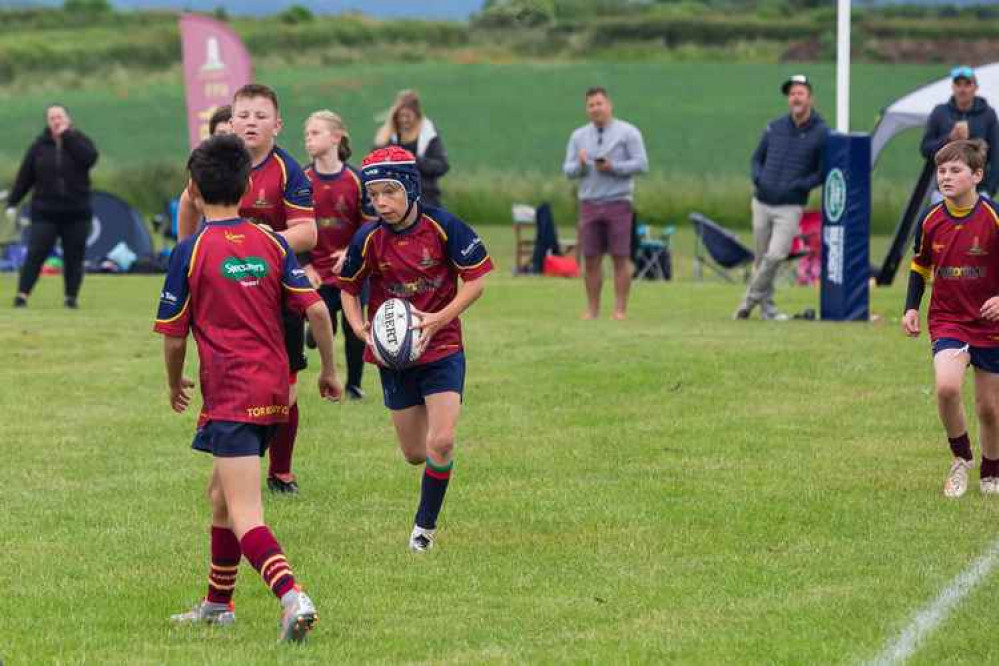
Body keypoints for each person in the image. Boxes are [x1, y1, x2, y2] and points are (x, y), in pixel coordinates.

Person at [154, 134, 342, 641]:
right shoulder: (271, 242)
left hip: (232, 397)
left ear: (192, 189)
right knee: (220, 495)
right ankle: (218, 604)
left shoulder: (190, 252)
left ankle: (292, 597)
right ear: (244, 188)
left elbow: (173, 340)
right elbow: (319, 310)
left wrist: (174, 384)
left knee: (244, 511)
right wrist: (328, 370)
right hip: (275, 392)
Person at [335, 146, 493, 552]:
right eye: (374, 195)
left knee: (441, 441)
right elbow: (349, 288)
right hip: (395, 353)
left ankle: (423, 530)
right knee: (414, 454)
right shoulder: (368, 237)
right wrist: (357, 327)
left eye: (389, 192)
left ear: (410, 188)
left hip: (441, 345)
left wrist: (439, 318)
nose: (381, 202)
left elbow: (475, 281)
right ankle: (429, 483)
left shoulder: (444, 226)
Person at [177, 84, 317, 495]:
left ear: (277, 124)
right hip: (221, 291)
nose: (251, 122)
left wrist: (266, 242)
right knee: (222, 375)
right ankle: (231, 464)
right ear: (230, 121)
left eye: (260, 116)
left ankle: (281, 470)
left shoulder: (289, 171)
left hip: (273, 292)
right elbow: (188, 202)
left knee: (284, 386)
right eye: (244, 115)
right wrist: (188, 254)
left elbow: (308, 232)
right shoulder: (214, 162)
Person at [902, 139, 999, 498]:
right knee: (946, 387)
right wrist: (912, 307)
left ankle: (992, 469)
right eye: (941, 170)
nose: (945, 176)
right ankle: (961, 459)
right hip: (948, 319)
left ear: (976, 175)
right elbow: (920, 264)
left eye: (955, 170)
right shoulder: (930, 220)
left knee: (989, 409)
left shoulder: (993, 216)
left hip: (990, 324)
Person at [734, 74, 828, 321]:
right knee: (761, 258)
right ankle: (768, 310)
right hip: (762, 202)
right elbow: (757, 159)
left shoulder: (821, 132)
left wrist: (800, 186)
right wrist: (758, 178)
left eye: (800, 93)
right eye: (792, 94)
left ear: (810, 98)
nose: (795, 97)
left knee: (775, 255)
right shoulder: (774, 127)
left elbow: (823, 172)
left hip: (790, 206)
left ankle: (747, 302)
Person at [302, 110, 372, 400]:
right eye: (306, 134)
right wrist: (305, 264)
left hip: (351, 268)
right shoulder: (302, 178)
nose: (309, 139)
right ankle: (313, 335)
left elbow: (369, 223)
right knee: (323, 326)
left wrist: (352, 252)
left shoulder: (356, 178)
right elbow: (293, 225)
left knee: (354, 326)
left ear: (336, 137)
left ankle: (354, 385)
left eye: (315, 133)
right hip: (317, 271)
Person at [562, 86, 648, 321]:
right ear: (586, 109)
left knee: (620, 257)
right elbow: (567, 170)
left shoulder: (628, 133)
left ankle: (620, 310)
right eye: (591, 105)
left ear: (609, 105)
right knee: (590, 258)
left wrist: (614, 167)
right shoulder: (578, 136)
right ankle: (592, 309)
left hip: (618, 202)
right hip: (589, 203)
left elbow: (641, 164)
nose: (595, 108)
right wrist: (580, 165)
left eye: (599, 104)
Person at [7, 104, 98, 309]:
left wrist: (68, 137)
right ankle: (22, 295)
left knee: (74, 256)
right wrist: (13, 201)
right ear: (48, 122)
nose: (56, 121)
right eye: (52, 118)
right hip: (45, 211)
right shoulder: (39, 146)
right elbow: (25, 177)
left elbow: (90, 159)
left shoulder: (79, 141)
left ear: (68, 119)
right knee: (36, 253)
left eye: (60, 117)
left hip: (77, 211)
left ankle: (71, 298)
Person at [920, 66, 999, 198]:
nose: (962, 89)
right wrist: (949, 138)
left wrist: (989, 190)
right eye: (958, 84)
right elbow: (926, 149)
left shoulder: (988, 115)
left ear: (975, 87)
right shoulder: (940, 113)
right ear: (953, 87)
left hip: (977, 190)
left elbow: (996, 155)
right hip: (945, 191)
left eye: (967, 84)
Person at [373, 90, 449, 208]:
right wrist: (388, 124)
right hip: (393, 195)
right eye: (400, 116)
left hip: (425, 196)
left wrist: (413, 160)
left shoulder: (429, 136)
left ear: (417, 115)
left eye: (407, 116)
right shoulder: (391, 135)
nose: (404, 120)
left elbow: (442, 166)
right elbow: (375, 158)